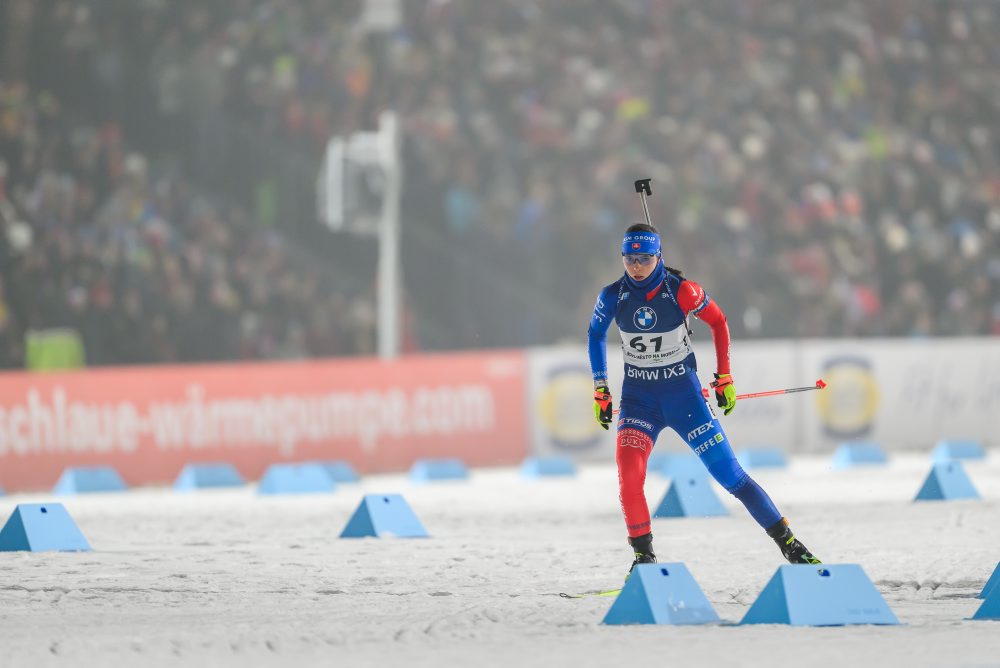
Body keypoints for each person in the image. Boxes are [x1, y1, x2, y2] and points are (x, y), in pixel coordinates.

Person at [587, 222, 821, 577]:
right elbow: (594, 336)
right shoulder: (612, 295)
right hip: (639, 402)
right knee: (629, 476)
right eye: (629, 259)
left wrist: (724, 375)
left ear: (658, 256)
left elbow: (719, 322)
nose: (636, 266)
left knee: (731, 477)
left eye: (644, 259)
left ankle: (791, 545)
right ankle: (644, 558)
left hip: (685, 399)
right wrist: (601, 388)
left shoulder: (682, 291)